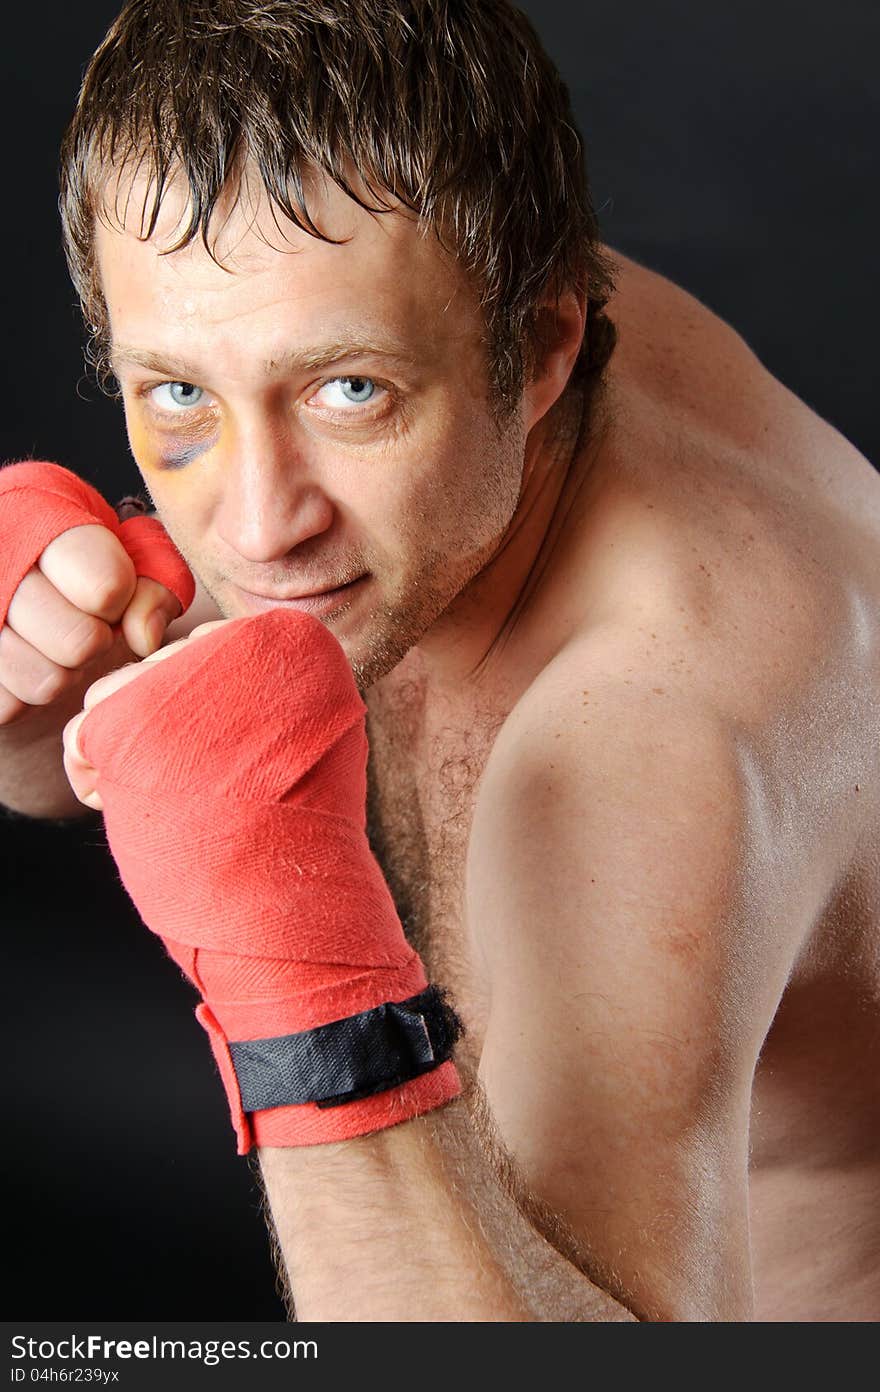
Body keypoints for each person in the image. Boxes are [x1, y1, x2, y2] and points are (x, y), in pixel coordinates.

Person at [1, 0, 878, 1323]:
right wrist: (34, 692)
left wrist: (297, 1005)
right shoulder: (415, 278)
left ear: (536, 352)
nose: (252, 527)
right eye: (177, 395)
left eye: (347, 394)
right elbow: (83, 764)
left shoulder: (656, 734)